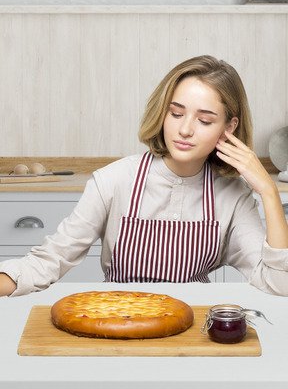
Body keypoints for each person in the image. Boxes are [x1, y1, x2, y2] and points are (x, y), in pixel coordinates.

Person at [0, 55, 288, 297]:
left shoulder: (233, 196)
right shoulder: (113, 180)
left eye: (204, 120)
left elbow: (276, 283)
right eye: (176, 114)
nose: (185, 130)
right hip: (115, 325)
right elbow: (48, 262)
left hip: (192, 332)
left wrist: (269, 192)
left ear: (229, 126)